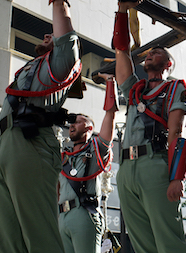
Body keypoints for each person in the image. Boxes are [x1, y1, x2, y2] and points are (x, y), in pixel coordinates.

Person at [0, 0, 84, 253]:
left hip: (34, 145)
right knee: (9, 241)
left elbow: (65, 30)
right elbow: (8, 126)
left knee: (40, 236)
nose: (47, 34)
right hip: (8, 147)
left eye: (52, 36)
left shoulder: (61, 64)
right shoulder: (27, 70)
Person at [112, 0, 186, 253]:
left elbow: (176, 132)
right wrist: (122, 12)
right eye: (149, 52)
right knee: (141, 243)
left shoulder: (175, 87)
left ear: (169, 64)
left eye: (158, 52)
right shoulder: (136, 89)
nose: (150, 53)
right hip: (126, 168)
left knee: (169, 239)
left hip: (155, 164)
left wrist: (176, 176)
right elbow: (121, 51)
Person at [58, 78, 117, 253]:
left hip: (84, 213)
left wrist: (110, 83)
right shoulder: (64, 157)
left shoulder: (96, 149)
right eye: (71, 122)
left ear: (89, 128)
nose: (72, 125)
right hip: (62, 216)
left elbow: (110, 116)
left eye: (78, 121)